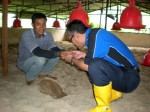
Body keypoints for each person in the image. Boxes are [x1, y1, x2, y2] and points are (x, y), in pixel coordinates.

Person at [62, 6, 140, 112]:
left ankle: (104, 107)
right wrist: (83, 54)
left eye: (71, 40)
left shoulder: (95, 37)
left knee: (94, 66)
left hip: (130, 78)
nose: (72, 44)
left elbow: (88, 66)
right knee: (94, 64)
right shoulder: (94, 35)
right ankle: (114, 93)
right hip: (125, 73)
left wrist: (72, 60)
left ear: (76, 35)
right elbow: (106, 55)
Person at [17, 13, 66, 85]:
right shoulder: (27, 35)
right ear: (33, 25)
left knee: (57, 53)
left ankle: (43, 73)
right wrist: (59, 53)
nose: (42, 27)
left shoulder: (48, 35)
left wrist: (66, 52)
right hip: (25, 63)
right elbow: (37, 52)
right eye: (38, 24)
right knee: (42, 58)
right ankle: (29, 77)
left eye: (44, 24)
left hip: (38, 60)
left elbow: (53, 47)